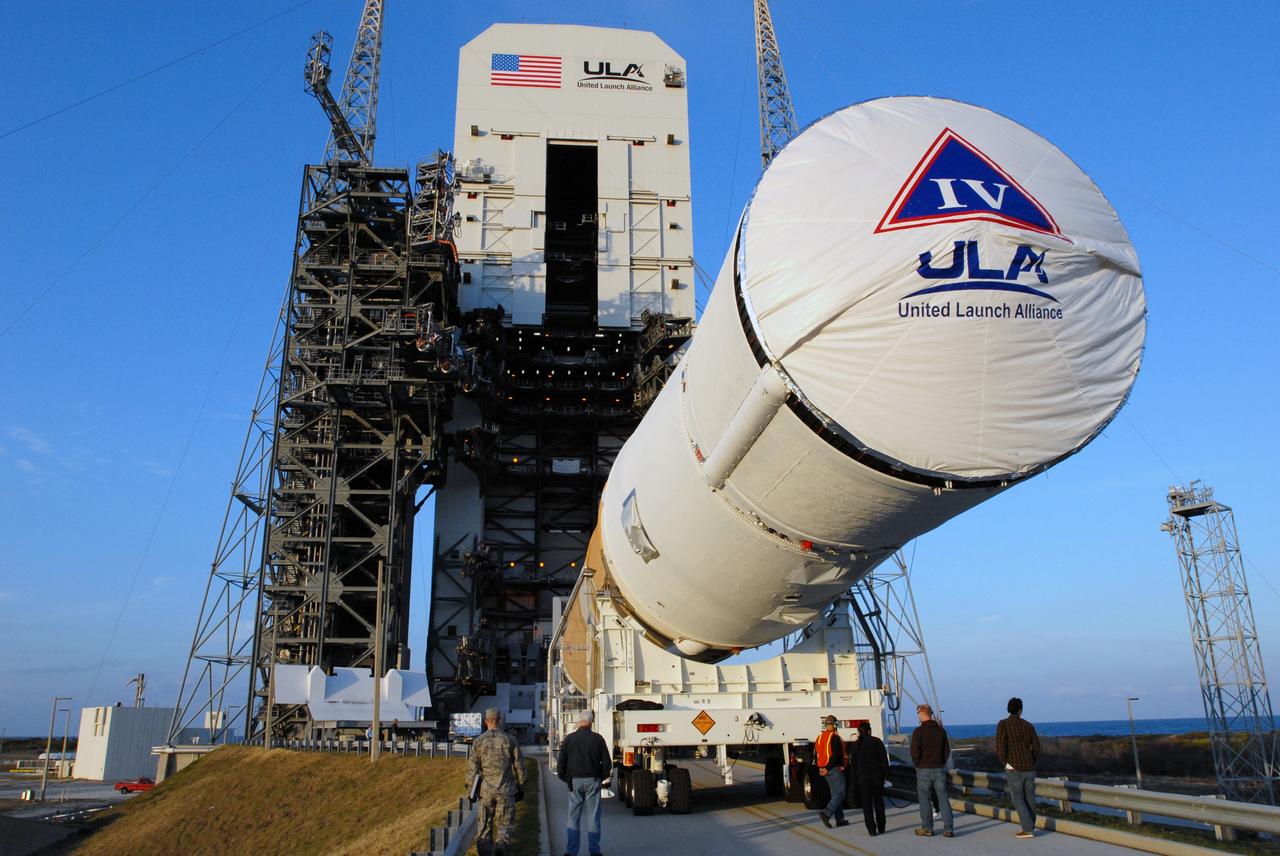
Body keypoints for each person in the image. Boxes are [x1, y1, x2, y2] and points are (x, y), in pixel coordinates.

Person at [468, 708, 525, 856]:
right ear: (499, 721)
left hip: (486, 791)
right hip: (506, 789)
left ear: (486, 721)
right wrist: (521, 785)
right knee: (505, 823)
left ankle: (485, 850)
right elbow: (519, 766)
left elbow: (473, 769)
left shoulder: (478, 741)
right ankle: (501, 844)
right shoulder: (509, 740)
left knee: (484, 825)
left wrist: (471, 789)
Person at [556, 710, 611, 856]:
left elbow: (560, 764)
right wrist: (600, 778)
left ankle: (571, 851)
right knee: (593, 817)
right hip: (593, 779)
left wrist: (566, 779)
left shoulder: (569, 739)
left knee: (573, 817)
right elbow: (607, 763)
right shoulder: (598, 739)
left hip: (574, 780)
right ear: (591, 722)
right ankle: (594, 851)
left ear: (579, 722)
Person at [996, 696, 1041, 840]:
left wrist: (1005, 762)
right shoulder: (1028, 725)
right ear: (1020, 710)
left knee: (1017, 798)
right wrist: (1032, 760)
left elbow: (1001, 746)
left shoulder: (1003, 724)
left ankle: (1027, 829)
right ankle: (1030, 826)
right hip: (1029, 767)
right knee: (1030, 798)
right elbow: (1036, 746)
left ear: (1008, 709)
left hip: (1013, 767)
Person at [911, 703, 954, 837]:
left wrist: (918, 764)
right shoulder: (941, 731)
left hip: (923, 769)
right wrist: (940, 762)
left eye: (918, 713)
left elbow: (914, 752)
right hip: (938, 768)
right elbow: (946, 751)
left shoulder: (918, 732)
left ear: (922, 714)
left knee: (924, 799)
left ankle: (927, 828)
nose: (918, 716)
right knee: (943, 798)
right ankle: (948, 828)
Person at [852, 721, 889, 836]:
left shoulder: (856, 745)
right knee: (879, 802)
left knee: (867, 804)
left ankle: (871, 829)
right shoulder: (876, 742)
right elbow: (884, 761)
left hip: (863, 778)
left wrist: (854, 781)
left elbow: (854, 765)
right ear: (869, 730)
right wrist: (886, 776)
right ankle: (881, 827)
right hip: (877, 777)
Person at [814, 714, 850, 828]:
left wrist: (822, 768)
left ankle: (839, 819)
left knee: (835, 794)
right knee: (841, 792)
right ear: (834, 724)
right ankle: (827, 813)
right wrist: (829, 767)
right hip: (833, 768)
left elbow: (817, 754)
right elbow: (836, 755)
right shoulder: (834, 737)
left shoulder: (820, 737)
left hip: (824, 768)